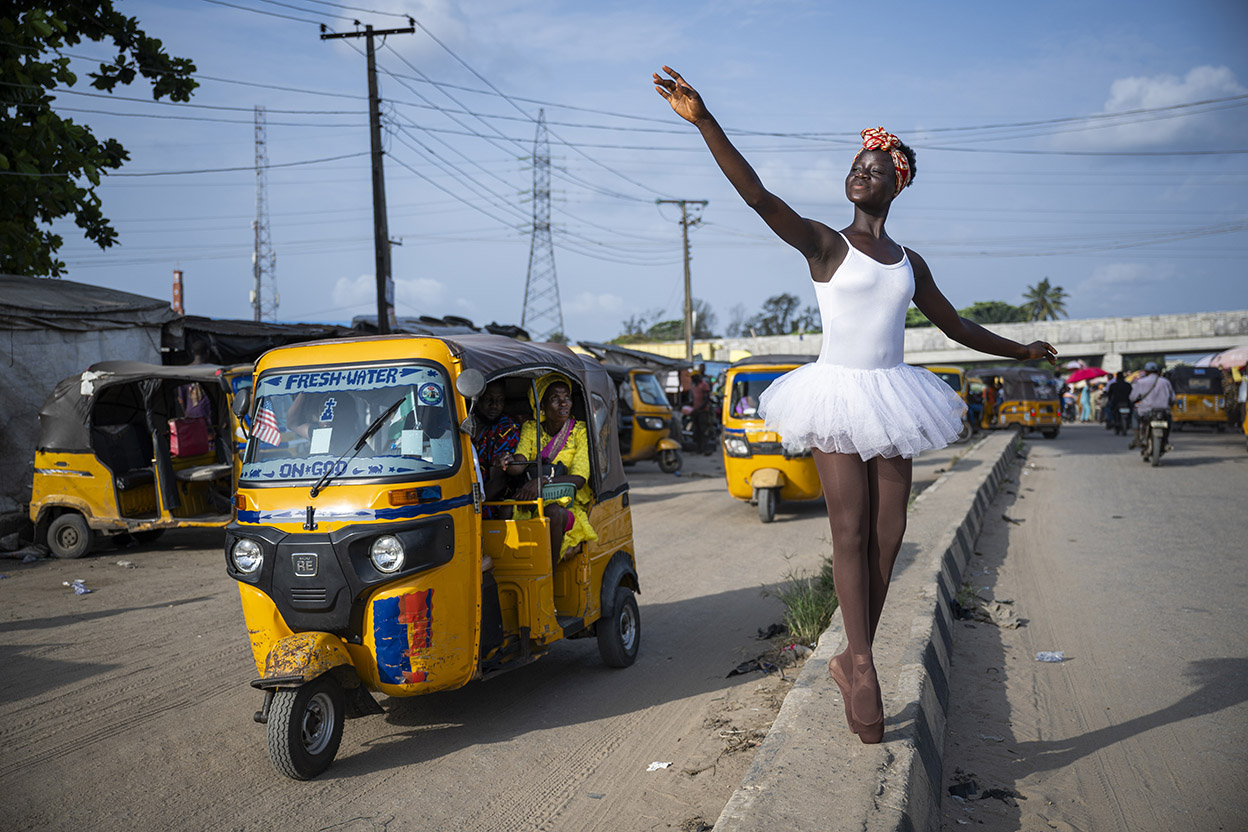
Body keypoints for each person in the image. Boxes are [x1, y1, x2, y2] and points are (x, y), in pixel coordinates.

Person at [655, 66, 1056, 744]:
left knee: (891, 532)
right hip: (837, 392)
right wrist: (705, 122)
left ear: (898, 182)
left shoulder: (908, 263)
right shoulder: (824, 243)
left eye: (873, 168)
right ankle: (862, 662)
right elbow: (757, 197)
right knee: (850, 526)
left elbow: (954, 327)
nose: (859, 173)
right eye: (854, 165)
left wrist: (1021, 351)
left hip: (893, 396)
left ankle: (850, 653)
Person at [503, 374, 597, 567]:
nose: (564, 404)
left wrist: (543, 482)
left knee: (552, 512)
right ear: (542, 407)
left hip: (569, 504)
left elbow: (579, 479)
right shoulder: (531, 428)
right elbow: (519, 463)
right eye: (555, 399)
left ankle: (549, 574)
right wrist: (507, 461)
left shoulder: (579, 431)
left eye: (567, 398)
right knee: (504, 507)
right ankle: (510, 569)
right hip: (533, 496)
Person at [473, 380, 521, 520]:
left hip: (490, 502)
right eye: (488, 399)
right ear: (476, 399)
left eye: (500, 400)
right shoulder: (462, 423)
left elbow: (497, 483)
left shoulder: (507, 429)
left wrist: (471, 507)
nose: (494, 405)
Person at [1129, 361, 1175, 449]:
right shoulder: (1165, 382)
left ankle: (1137, 438)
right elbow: (1172, 398)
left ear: (1146, 372)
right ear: (1158, 371)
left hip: (1146, 411)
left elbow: (1132, 397)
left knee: (1135, 416)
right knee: (1168, 422)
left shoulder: (1141, 382)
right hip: (1163, 411)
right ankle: (1165, 441)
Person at [690, 371, 713, 454]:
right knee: (697, 430)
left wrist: (699, 407)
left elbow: (706, 399)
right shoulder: (693, 386)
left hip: (703, 411)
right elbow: (693, 398)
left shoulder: (704, 385)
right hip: (696, 410)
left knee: (703, 430)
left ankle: (704, 448)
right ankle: (699, 448)